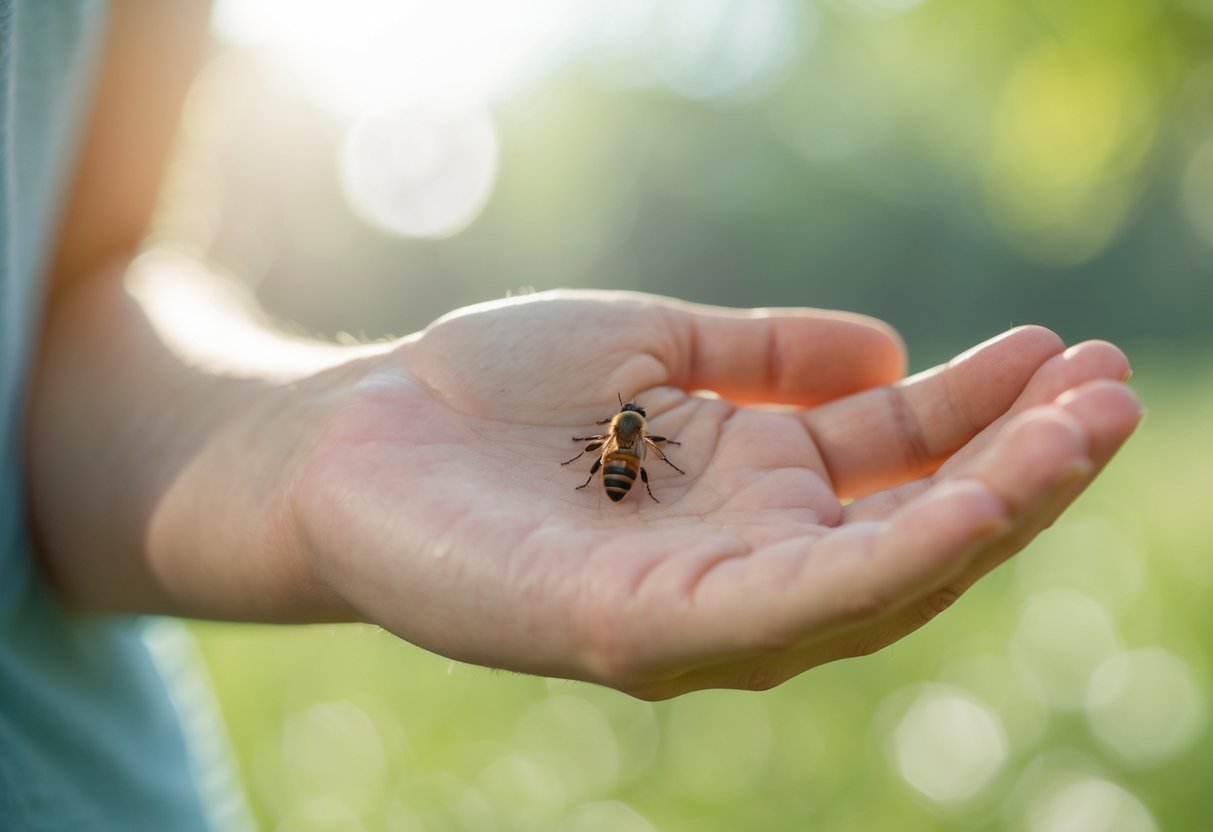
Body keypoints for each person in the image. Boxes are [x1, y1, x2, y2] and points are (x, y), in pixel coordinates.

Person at [1, 1, 1142, 828]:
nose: (625, 445)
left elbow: (66, 305)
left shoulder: (619, 438)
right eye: (625, 441)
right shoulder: (622, 440)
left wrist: (324, 436)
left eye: (627, 443)